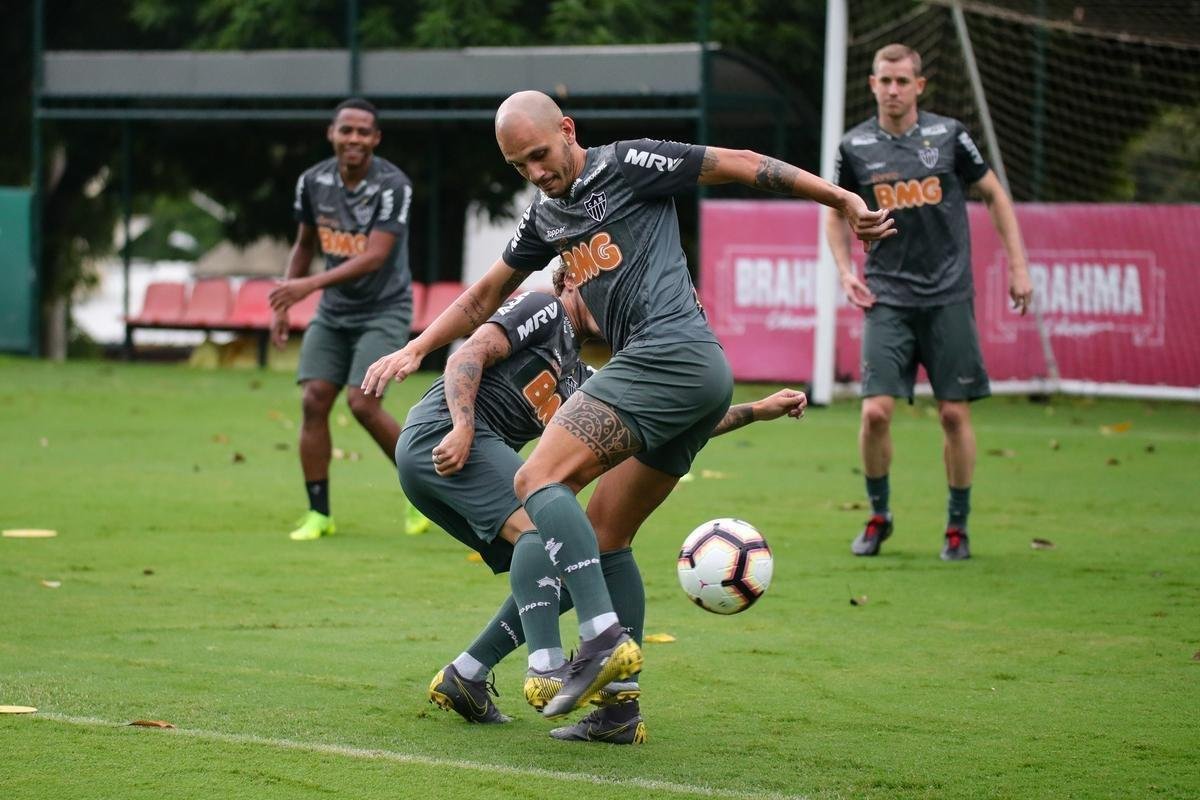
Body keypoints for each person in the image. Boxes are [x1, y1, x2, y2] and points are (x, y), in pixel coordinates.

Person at [363, 89, 892, 722]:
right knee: (607, 537)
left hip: (668, 353)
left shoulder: (629, 163)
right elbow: (480, 299)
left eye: (538, 155)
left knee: (538, 478)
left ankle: (600, 635)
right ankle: (617, 713)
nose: (535, 173)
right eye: (518, 167)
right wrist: (414, 348)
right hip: (696, 380)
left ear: (567, 129)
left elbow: (742, 162)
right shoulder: (545, 221)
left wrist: (842, 198)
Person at [398, 264, 807, 743]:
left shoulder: (582, 376)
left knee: (576, 561)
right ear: (571, 281)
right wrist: (463, 426)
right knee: (548, 533)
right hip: (441, 438)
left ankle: (467, 675)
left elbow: (658, 422)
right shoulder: (542, 308)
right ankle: (546, 667)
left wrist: (756, 411)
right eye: (600, 286)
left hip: (453, 456)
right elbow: (467, 356)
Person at [824, 44, 1034, 561]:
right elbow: (834, 211)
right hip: (886, 296)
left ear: (919, 86)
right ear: (872, 85)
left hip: (947, 296)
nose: (893, 89)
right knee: (874, 413)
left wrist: (1018, 266)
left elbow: (995, 194)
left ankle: (957, 528)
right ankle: (878, 516)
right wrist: (845, 271)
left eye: (902, 81)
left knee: (953, 417)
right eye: (884, 81)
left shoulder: (949, 136)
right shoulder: (854, 146)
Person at [268, 97, 430, 541]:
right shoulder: (313, 181)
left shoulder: (393, 185)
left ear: (375, 139)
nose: (354, 139)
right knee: (313, 399)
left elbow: (376, 256)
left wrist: (307, 287)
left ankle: (424, 491)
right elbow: (305, 244)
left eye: (363, 132)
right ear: (332, 134)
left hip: (385, 309)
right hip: (334, 312)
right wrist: (285, 302)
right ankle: (319, 514)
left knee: (362, 402)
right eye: (347, 130)